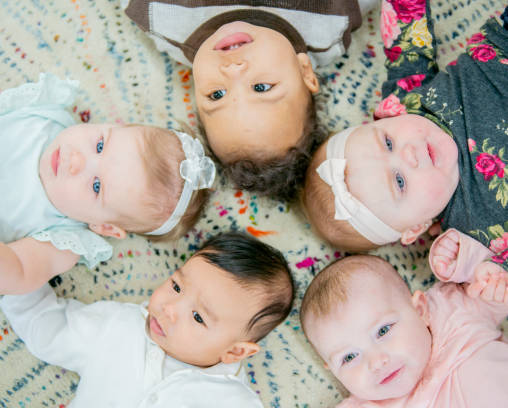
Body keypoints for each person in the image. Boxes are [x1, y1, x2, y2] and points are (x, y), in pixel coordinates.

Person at [0, 73, 215, 328]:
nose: (77, 160)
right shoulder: (42, 114)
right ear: (112, 126)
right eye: (101, 145)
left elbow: (0, 276)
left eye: (95, 185)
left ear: (103, 226)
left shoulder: (63, 239)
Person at [300, 1, 508, 267]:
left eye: (387, 142)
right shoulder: (469, 238)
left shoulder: (406, 103)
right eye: (399, 181)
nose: (408, 154)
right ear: (416, 227)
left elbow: (407, 33)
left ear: (380, 120)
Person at [0, 231, 294, 407]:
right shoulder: (117, 327)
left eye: (197, 317)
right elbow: (50, 327)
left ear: (235, 351)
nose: (170, 308)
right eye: (176, 286)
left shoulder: (233, 401)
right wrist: (12, 274)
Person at [121, 0, 378, 199]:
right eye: (262, 87)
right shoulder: (330, 25)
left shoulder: (162, 16)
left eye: (217, 95)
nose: (233, 70)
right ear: (305, 72)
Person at [300, 248, 508, 407]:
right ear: (332, 369)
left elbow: (493, 299)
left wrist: (494, 289)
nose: (376, 363)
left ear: (420, 310)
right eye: (349, 357)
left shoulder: (453, 310)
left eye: (383, 331)